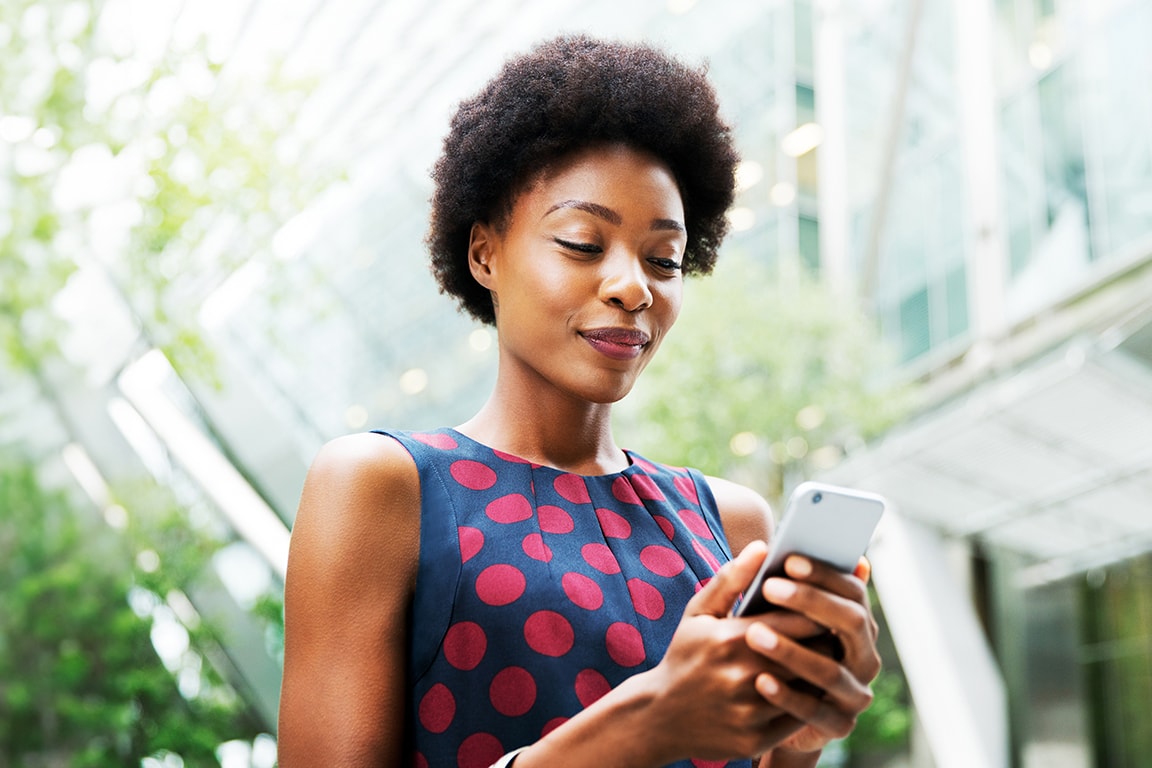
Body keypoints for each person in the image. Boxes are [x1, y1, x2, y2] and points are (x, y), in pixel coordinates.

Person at [277, 34, 881, 768]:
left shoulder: (730, 522)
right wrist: (644, 726)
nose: (635, 286)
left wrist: (798, 738)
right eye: (581, 242)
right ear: (484, 254)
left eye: (664, 259)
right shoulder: (382, 487)